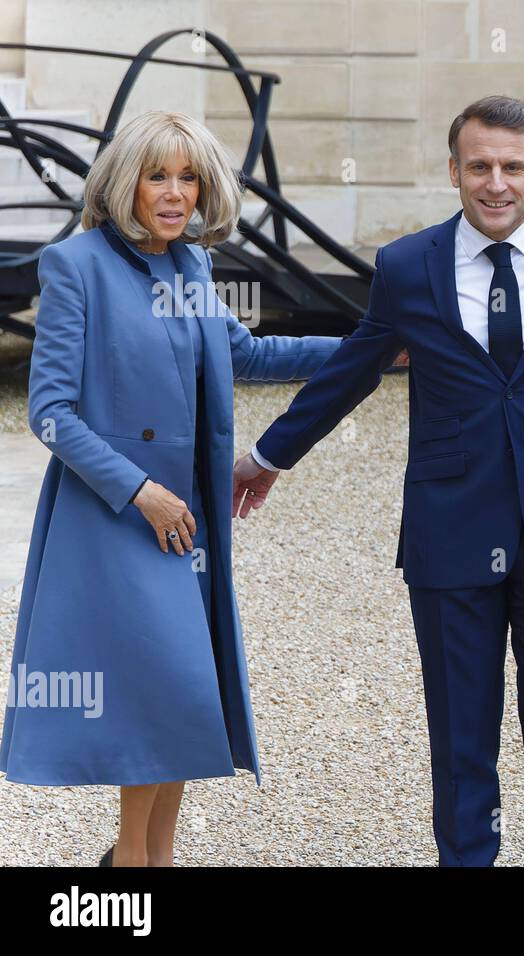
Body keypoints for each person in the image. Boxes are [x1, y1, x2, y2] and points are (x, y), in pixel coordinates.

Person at [230, 96, 524, 867]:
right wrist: (268, 456)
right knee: (461, 745)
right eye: (478, 165)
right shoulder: (407, 265)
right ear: (453, 169)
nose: (496, 183)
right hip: (451, 537)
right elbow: (352, 371)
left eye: (512, 167)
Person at [0, 111, 342, 865]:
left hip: (187, 523)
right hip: (118, 520)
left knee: (188, 703)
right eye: (159, 174)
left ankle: (152, 862)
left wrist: (368, 350)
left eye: (188, 177)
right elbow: (50, 414)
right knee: (165, 695)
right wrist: (140, 492)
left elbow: (247, 355)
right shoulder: (76, 267)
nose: (175, 192)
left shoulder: (190, 267)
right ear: (126, 181)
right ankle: (129, 867)